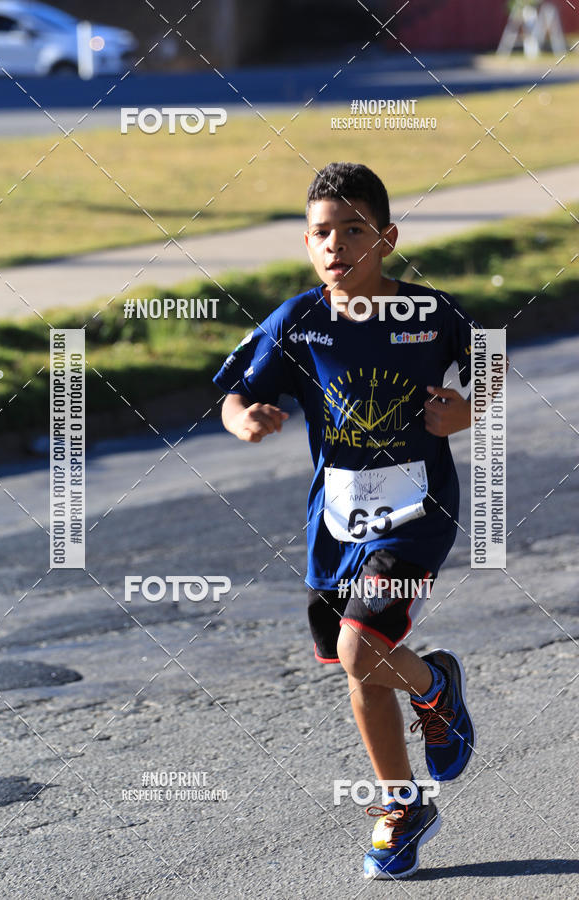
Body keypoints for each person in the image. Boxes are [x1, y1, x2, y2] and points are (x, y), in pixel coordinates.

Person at [212, 161, 484, 879]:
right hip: (335, 521)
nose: (336, 245)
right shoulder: (299, 320)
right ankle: (403, 804)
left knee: (362, 648)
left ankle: (436, 688)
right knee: (358, 665)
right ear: (308, 243)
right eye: (322, 233)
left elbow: (489, 364)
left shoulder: (430, 313)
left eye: (354, 231)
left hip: (417, 511)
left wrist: (468, 409)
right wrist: (244, 420)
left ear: (386, 239)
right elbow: (236, 392)